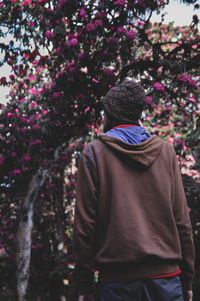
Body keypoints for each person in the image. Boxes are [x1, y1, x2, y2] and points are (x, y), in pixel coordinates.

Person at [72, 81, 195, 301]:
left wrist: (84, 286)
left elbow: (84, 228)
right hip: (167, 281)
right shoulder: (166, 151)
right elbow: (182, 221)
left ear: (109, 113)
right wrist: (187, 279)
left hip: (117, 284)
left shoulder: (94, 153)